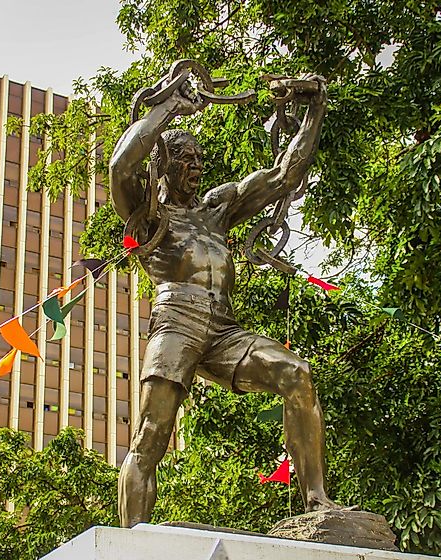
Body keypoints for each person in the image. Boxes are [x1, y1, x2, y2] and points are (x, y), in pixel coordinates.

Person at [110, 73, 336, 527]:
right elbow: (121, 166)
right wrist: (167, 108)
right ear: (164, 163)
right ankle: (130, 541)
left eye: (199, 159)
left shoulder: (216, 209)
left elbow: (284, 173)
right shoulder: (147, 213)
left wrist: (314, 108)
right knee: (151, 435)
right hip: (176, 321)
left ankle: (317, 502)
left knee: (298, 374)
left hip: (224, 330)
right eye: (185, 159)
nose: (196, 167)